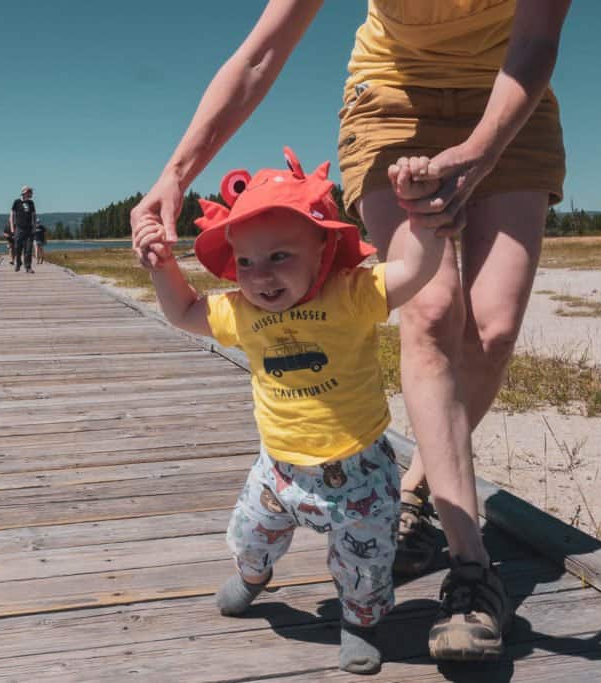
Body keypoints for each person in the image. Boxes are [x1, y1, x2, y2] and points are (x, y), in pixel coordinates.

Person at [129, 0, 569, 663]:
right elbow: (258, 54)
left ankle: (416, 495)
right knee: (429, 311)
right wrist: (175, 173)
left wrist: (477, 155)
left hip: (509, 95)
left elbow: (537, 38)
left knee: (494, 329)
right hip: (389, 96)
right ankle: (473, 569)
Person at [135, 148, 446, 675]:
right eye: (248, 263)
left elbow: (415, 270)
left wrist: (421, 217)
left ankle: (359, 622)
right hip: (277, 469)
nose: (261, 276)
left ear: (323, 247)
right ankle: (255, 578)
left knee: (365, 563)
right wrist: (163, 265)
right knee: (252, 535)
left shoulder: (351, 294)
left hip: (359, 472)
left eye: (280, 256)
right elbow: (186, 311)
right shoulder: (240, 310)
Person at [9, 185, 37, 272]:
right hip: (19, 228)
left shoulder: (31, 203)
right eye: (30, 192)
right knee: (17, 247)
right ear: (25, 193)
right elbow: (11, 216)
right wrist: (12, 229)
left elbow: (34, 215)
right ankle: (18, 263)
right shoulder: (16, 202)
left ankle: (28, 267)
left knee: (28, 249)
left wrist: (34, 227)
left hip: (29, 229)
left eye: (31, 192)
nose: (31, 194)